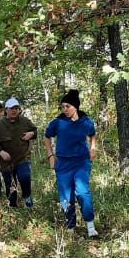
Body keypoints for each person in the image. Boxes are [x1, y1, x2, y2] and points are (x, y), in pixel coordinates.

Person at [44, 89, 99, 237]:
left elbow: (92, 134)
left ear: (75, 106)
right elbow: (47, 137)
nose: (65, 110)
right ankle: (70, 228)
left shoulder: (85, 121)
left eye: (67, 106)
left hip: (81, 162)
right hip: (63, 164)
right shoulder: (58, 122)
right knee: (66, 196)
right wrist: (50, 155)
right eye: (63, 107)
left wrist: (93, 147)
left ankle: (90, 227)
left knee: (82, 192)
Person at [0, 97, 37, 208]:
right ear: (6, 110)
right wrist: (0, 151)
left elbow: (35, 130)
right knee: (10, 184)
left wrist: (31, 133)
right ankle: (13, 207)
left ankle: (27, 199)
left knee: (25, 176)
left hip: (22, 157)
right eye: (11, 108)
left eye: (16, 108)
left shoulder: (25, 121)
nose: (14, 110)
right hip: (6, 161)